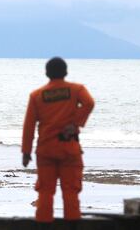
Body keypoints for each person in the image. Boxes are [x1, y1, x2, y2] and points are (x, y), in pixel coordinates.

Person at [22, 57, 94, 230]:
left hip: (46, 150)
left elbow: (29, 126)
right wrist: (75, 123)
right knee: (71, 190)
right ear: (66, 72)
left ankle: (43, 225)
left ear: (47, 73)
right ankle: (72, 225)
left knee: (45, 190)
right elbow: (89, 103)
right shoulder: (76, 89)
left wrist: (26, 152)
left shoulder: (37, 95)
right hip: (69, 149)